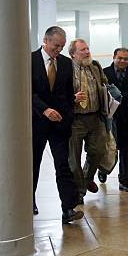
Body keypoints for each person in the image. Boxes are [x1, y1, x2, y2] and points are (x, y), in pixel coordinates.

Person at [31, 26, 83, 224]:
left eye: (61, 46)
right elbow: (27, 92)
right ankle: (29, 201)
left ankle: (68, 208)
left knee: (63, 165)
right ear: (45, 40)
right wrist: (44, 110)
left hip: (60, 124)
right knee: (33, 164)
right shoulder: (30, 60)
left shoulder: (66, 64)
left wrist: (68, 113)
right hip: (37, 121)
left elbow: (66, 93)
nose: (58, 50)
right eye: (55, 45)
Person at [68, 39, 108, 202]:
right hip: (75, 119)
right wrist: (72, 98)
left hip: (95, 117)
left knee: (98, 151)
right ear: (73, 54)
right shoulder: (66, 69)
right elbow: (59, 92)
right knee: (74, 158)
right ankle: (79, 191)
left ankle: (86, 178)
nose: (87, 52)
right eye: (82, 50)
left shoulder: (95, 66)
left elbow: (105, 83)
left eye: (87, 49)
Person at [100, 47, 128, 192]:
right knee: (108, 148)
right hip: (109, 118)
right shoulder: (104, 73)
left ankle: (124, 181)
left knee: (126, 150)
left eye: (126, 59)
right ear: (114, 57)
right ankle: (103, 170)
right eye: (120, 58)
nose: (123, 61)